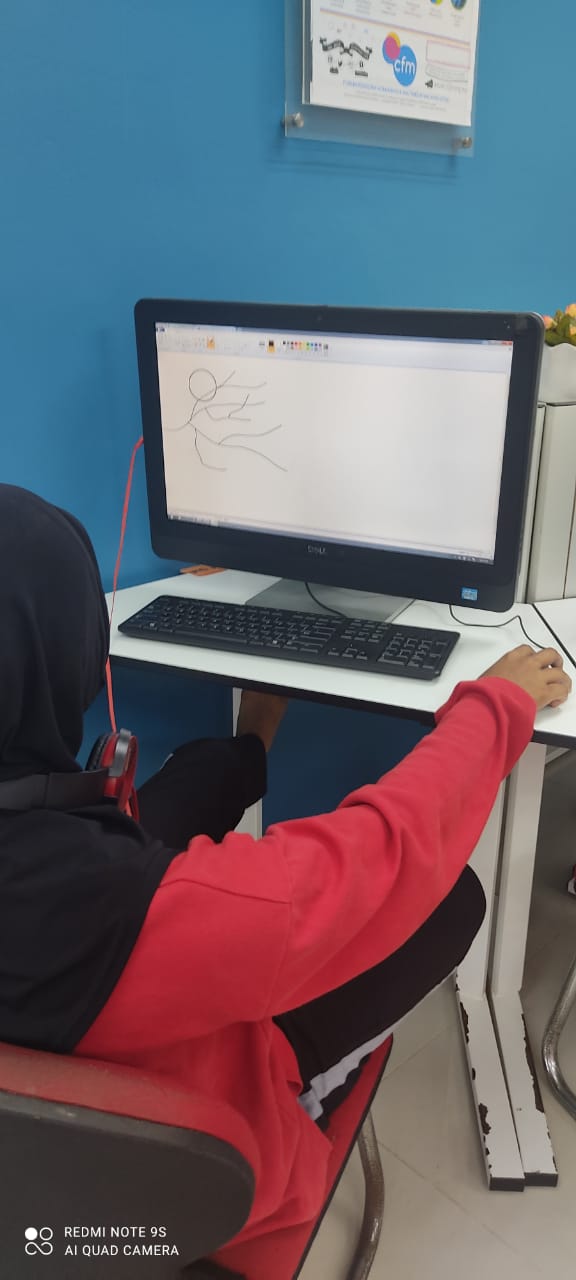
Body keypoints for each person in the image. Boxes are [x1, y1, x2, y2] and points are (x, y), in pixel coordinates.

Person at [0, 484, 571, 1277]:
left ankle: (241, 756)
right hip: (196, 1172)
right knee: (451, 901)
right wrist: (494, 708)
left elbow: (126, 843)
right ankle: (302, 1101)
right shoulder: (106, 911)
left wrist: (250, 744)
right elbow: (373, 862)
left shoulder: (42, 852)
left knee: (186, 791)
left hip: (43, 1116)